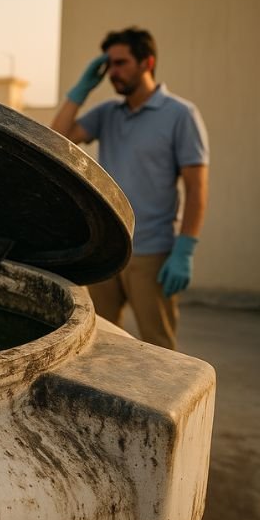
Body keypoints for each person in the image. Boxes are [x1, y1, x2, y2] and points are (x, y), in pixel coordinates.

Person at [51, 27, 209, 350]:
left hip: (153, 252)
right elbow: (56, 140)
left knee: (159, 348)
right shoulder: (108, 113)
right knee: (99, 344)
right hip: (109, 247)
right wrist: (79, 92)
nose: (113, 73)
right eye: (108, 65)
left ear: (147, 62)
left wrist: (185, 249)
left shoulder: (181, 115)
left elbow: (196, 187)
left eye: (121, 63)